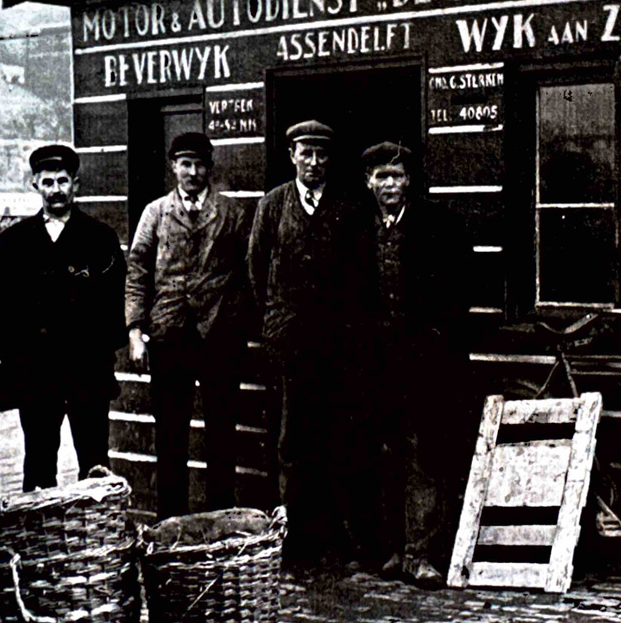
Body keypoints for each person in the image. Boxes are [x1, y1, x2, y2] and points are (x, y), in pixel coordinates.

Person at [354, 141, 470, 588]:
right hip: (376, 365)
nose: (390, 185)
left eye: (397, 176)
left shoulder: (439, 226)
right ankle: (394, 549)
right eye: (381, 176)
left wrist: (438, 338)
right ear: (369, 182)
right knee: (386, 454)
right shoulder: (357, 231)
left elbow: (459, 291)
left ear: (410, 181)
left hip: (427, 363)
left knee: (427, 455)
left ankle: (423, 554)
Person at [247, 120, 364, 565]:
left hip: (336, 344)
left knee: (335, 437)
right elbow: (257, 270)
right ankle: (293, 540)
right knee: (291, 440)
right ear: (292, 156)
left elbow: (358, 274)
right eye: (305, 153)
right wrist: (279, 319)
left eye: (321, 155)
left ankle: (332, 540)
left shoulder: (347, 206)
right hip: (289, 342)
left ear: (330, 160)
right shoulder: (273, 205)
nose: (313, 163)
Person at [0, 144, 126, 490]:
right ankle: (40, 540)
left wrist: (96, 352)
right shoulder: (14, 241)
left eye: (63, 181)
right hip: (36, 375)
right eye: (47, 182)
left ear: (75, 184)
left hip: (87, 373)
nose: (56, 190)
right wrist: (18, 359)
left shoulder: (100, 238)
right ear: (35, 185)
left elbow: (116, 306)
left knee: (94, 466)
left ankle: (95, 538)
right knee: (38, 464)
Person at [125, 133, 251, 518]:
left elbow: (248, 273)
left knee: (221, 435)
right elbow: (137, 272)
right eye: (185, 164)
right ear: (173, 167)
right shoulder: (155, 213)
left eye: (199, 165)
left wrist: (234, 321)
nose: (192, 172)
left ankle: (220, 524)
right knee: (170, 435)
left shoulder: (231, 213)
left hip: (219, 339)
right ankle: (171, 525)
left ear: (209, 169)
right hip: (169, 337)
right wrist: (135, 331)